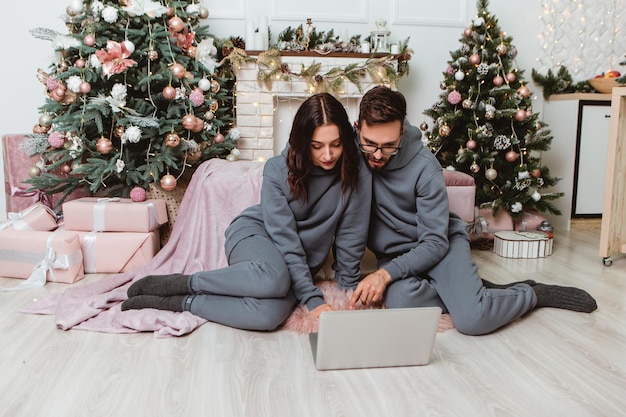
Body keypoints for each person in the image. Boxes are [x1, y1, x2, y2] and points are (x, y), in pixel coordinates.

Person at [349, 86, 597, 336]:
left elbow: (435, 242)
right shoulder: (350, 155)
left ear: (401, 132)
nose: (378, 155)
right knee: (400, 301)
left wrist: (385, 275)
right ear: (358, 128)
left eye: (389, 146)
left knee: (473, 320)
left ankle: (532, 294)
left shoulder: (425, 168)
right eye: (369, 144)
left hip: (439, 246)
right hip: (396, 255)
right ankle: (470, 292)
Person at [122, 93, 372, 330]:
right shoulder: (277, 170)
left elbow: (352, 233)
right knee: (274, 279)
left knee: (268, 316)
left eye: (336, 145)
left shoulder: (354, 171)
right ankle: (183, 283)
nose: (327, 155)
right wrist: (311, 297)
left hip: (294, 264)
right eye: (317, 146)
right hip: (256, 235)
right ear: (303, 142)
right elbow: (285, 240)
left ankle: (180, 301)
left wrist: (347, 294)